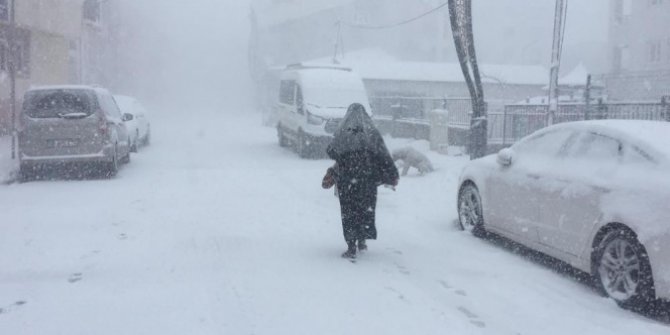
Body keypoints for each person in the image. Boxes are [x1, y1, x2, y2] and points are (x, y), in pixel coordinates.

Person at [325, 103, 399, 259]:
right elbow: (383, 154)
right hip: (367, 180)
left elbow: (331, 151)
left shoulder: (342, 132)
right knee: (365, 210)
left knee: (349, 212)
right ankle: (362, 240)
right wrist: (392, 174)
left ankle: (351, 246)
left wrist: (345, 157)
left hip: (347, 180)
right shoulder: (372, 132)